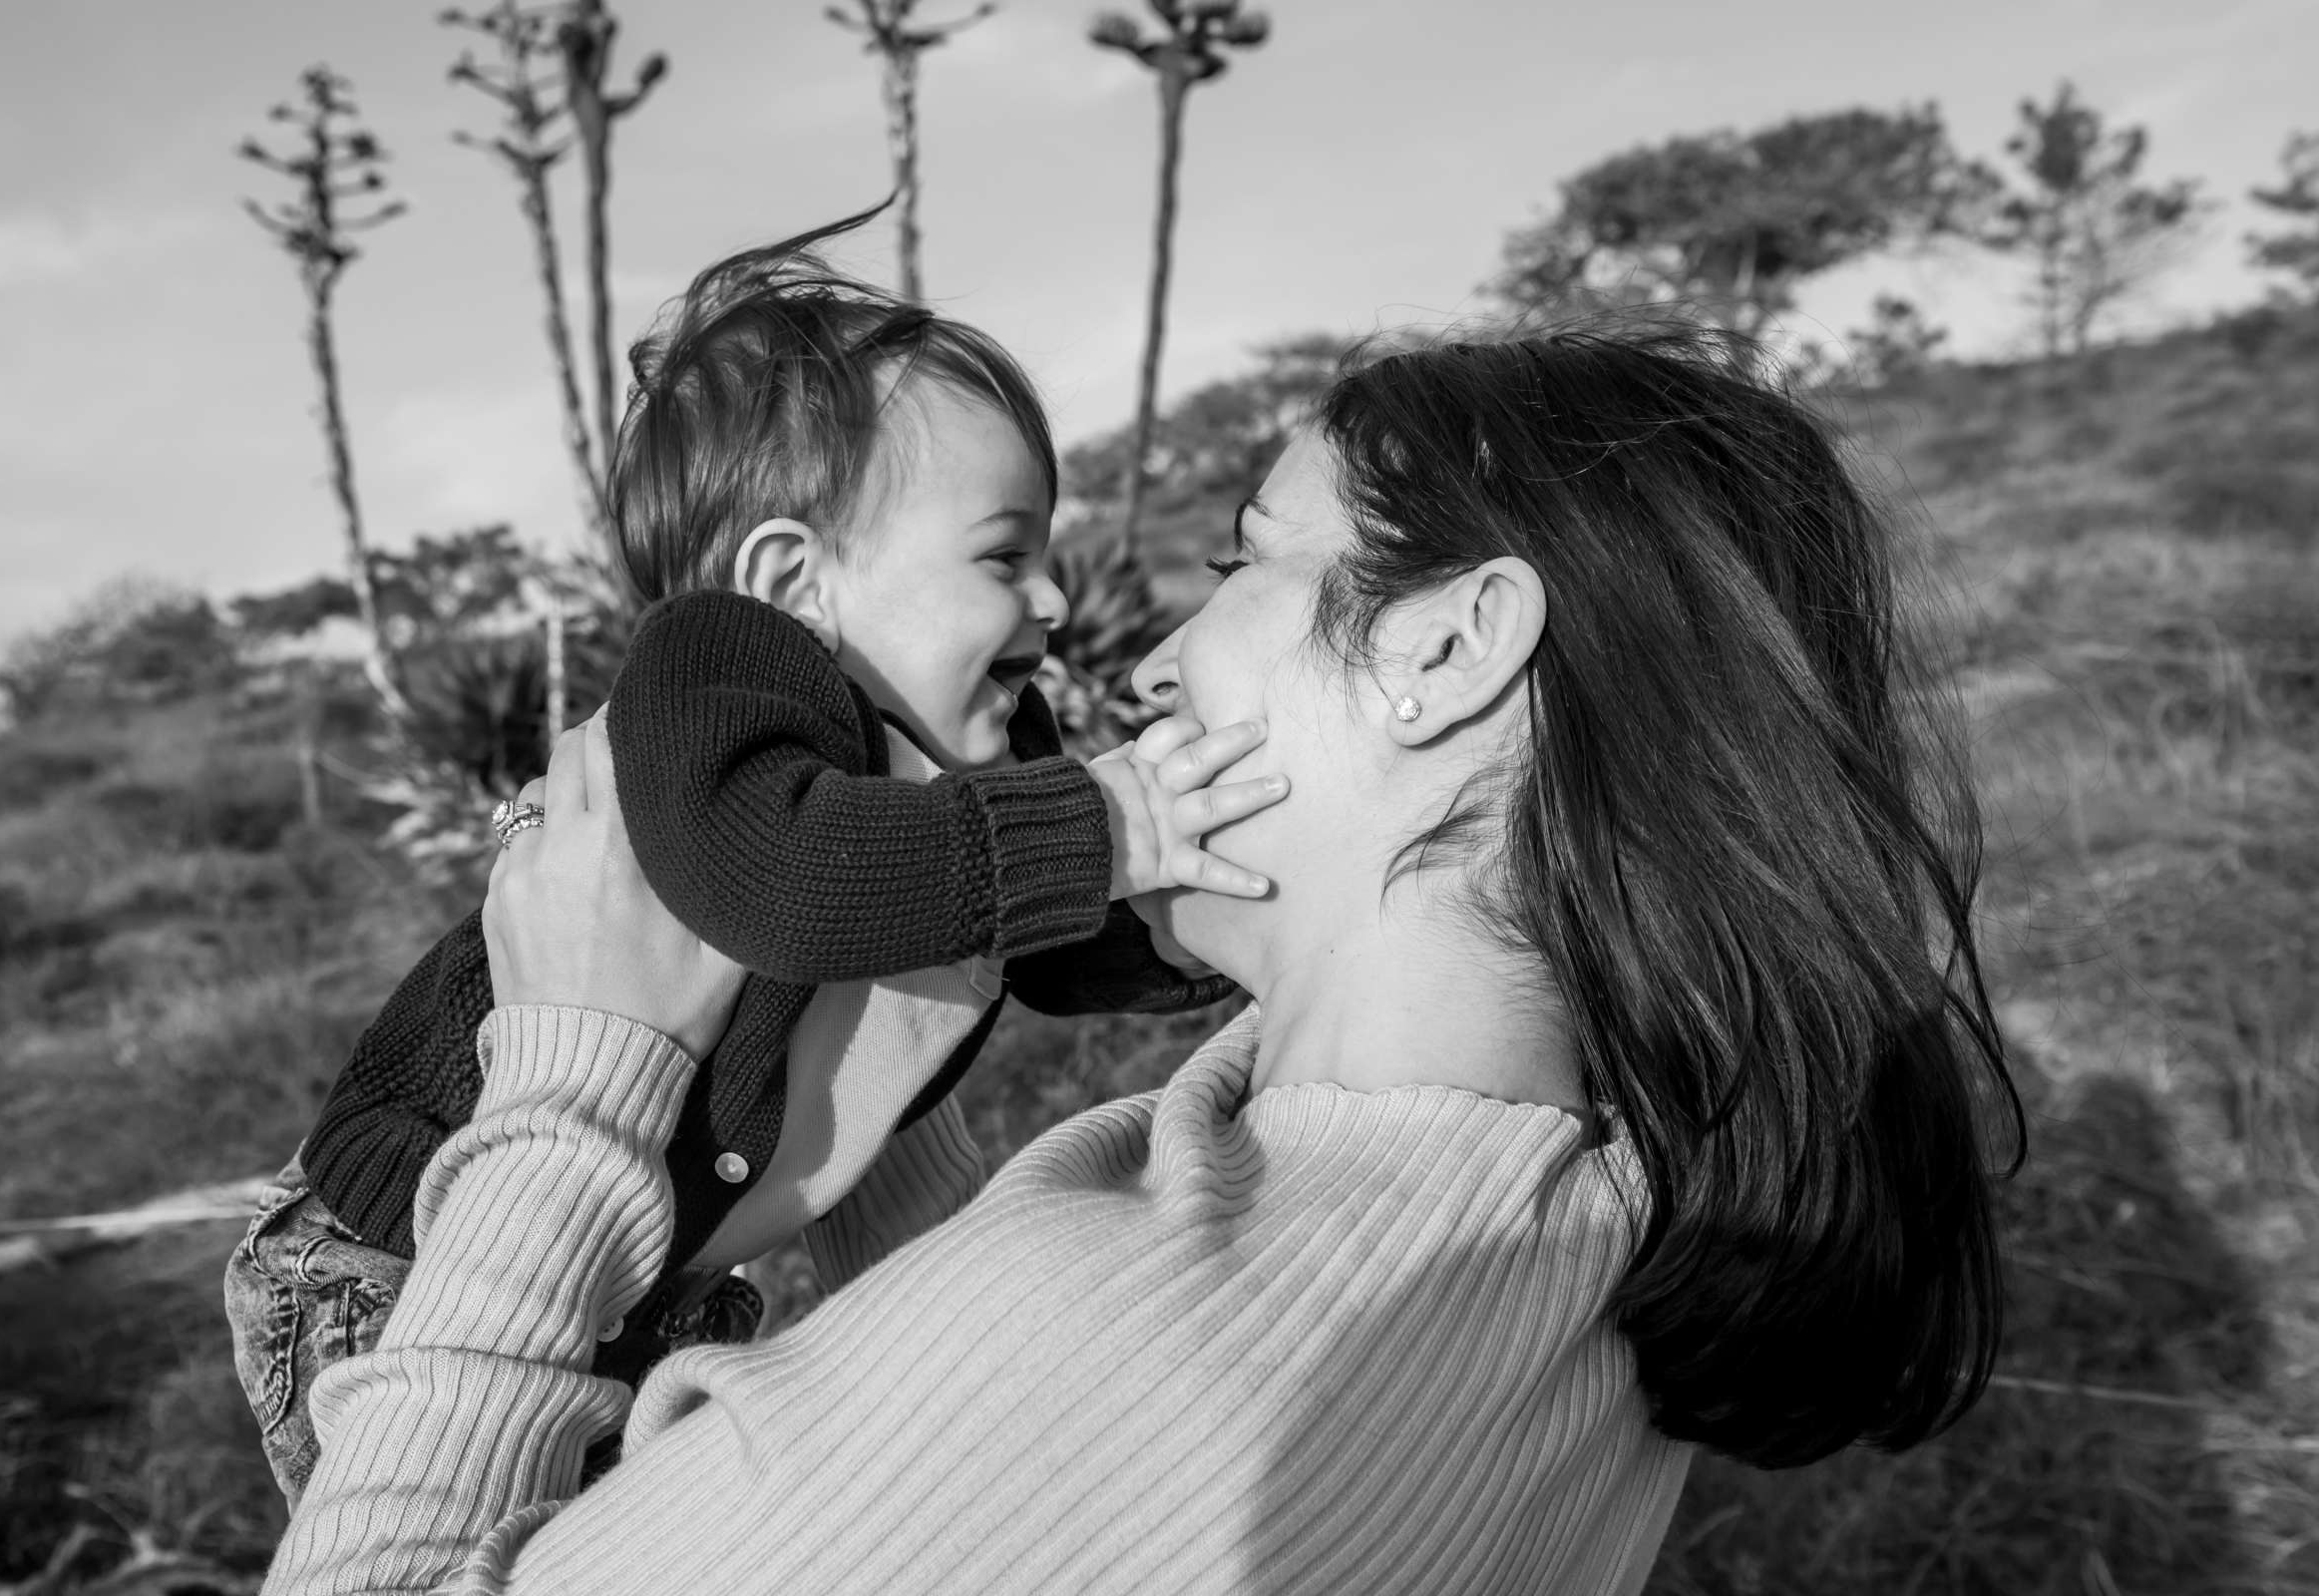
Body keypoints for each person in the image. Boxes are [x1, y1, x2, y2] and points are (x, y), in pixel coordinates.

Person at [263, 325, 2021, 1596]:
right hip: (364, 1250)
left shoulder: (1108, 1347)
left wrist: (579, 1067)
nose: (1140, 657)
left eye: (1242, 563)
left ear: (1451, 644)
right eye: (1004, 559)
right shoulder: (1614, 1217)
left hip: (541, 1266)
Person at [222, 211, 1280, 1507]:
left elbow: (1052, 946)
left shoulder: (976, 750)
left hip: (637, 1269)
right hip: (400, 1266)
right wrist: (1109, 825)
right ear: (792, 581)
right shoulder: (712, 677)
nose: (1052, 602)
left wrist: (1223, 914)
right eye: (1005, 556)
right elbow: (782, 885)